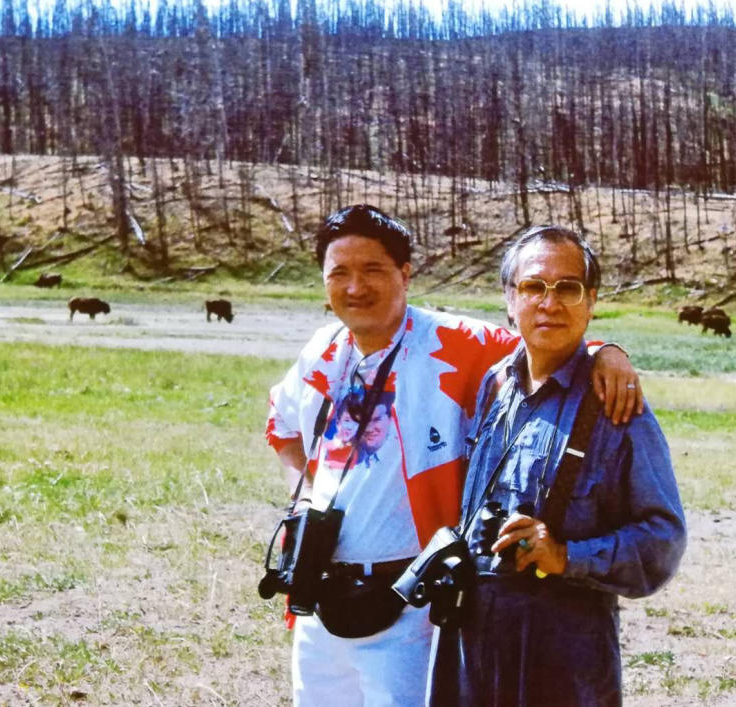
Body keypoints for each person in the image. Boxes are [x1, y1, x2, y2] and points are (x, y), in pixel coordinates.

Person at [265, 205, 643, 707]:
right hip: (320, 597)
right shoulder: (323, 349)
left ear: (405, 274)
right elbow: (283, 426)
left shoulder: (456, 343)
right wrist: (308, 495)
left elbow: (545, 339)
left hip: (410, 605)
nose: (356, 287)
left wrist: (603, 350)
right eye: (340, 273)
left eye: (373, 270)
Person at [427, 225, 687, 707]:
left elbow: (663, 540)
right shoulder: (494, 385)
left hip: (565, 649)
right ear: (510, 300)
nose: (550, 303)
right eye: (533, 286)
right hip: (474, 634)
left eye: (567, 288)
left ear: (590, 302)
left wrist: (566, 556)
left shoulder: (614, 403)